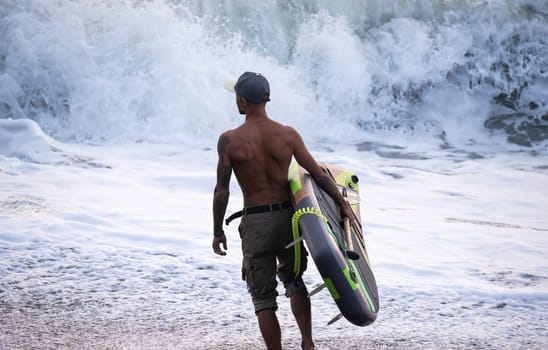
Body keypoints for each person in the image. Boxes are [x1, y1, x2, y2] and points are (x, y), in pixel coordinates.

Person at [212, 71, 353, 350]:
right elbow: (318, 173)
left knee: (263, 298)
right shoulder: (288, 135)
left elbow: (222, 190)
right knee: (294, 280)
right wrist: (341, 202)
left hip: (256, 223)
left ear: (243, 100)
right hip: (289, 219)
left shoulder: (230, 140)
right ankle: (308, 343)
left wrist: (217, 231)